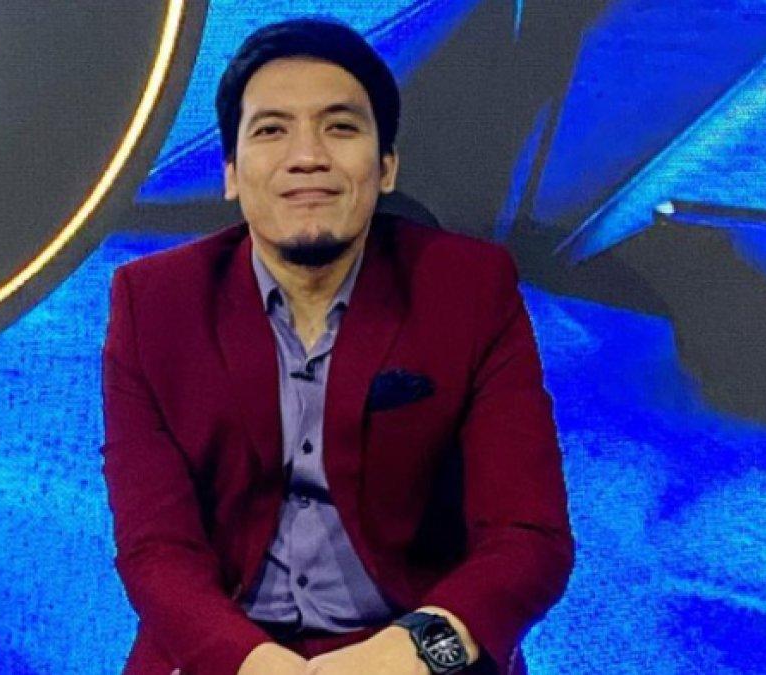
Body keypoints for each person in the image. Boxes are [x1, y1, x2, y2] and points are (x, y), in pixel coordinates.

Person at [101, 18, 573, 675]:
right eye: (271, 130)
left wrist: (411, 652)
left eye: (340, 127)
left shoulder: (471, 290)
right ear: (230, 172)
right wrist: (254, 663)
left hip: (409, 647)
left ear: (386, 167)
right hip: (226, 652)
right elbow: (156, 550)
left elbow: (528, 537)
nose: (308, 157)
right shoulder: (152, 303)